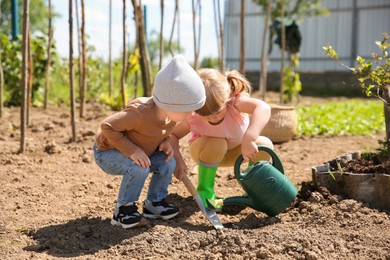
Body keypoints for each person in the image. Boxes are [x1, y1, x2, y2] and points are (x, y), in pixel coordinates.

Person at [93, 54, 206, 229]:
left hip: (141, 151)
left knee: (168, 161)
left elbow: (161, 131)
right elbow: (107, 126)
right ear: (171, 105)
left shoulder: (171, 116)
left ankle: (154, 203)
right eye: (186, 110)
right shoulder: (139, 114)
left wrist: (166, 141)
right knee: (138, 167)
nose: (190, 115)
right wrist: (132, 151)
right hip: (108, 152)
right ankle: (123, 211)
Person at [170, 68, 273, 208]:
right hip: (204, 152)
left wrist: (249, 138)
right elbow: (173, 135)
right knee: (217, 142)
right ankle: (205, 190)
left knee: (264, 144)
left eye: (217, 112)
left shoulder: (235, 103)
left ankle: (254, 190)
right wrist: (178, 160)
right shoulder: (193, 116)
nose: (212, 117)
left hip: (237, 151)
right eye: (205, 114)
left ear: (227, 98)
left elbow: (263, 108)